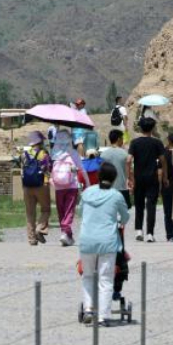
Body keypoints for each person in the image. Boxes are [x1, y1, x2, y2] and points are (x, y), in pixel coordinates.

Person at [78, 162, 131, 325]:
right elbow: (126, 217)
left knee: (87, 276)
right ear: (114, 179)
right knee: (106, 279)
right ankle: (103, 316)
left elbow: (80, 212)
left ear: (99, 176)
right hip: (107, 242)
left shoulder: (87, 192)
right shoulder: (116, 195)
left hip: (87, 240)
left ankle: (88, 309)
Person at [127, 117, 168, 243]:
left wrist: (130, 177)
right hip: (152, 178)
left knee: (139, 204)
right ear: (152, 128)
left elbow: (128, 160)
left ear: (141, 128)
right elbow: (163, 160)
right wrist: (165, 177)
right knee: (151, 205)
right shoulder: (157, 143)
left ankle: (139, 230)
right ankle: (150, 233)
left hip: (139, 177)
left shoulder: (134, 142)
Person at [51, 129, 87, 246]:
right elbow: (82, 169)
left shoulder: (54, 153)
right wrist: (88, 183)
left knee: (61, 211)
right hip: (71, 186)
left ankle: (66, 235)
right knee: (69, 210)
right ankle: (65, 232)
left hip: (58, 187)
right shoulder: (73, 153)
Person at [19, 131, 53, 245]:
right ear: (41, 141)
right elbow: (48, 169)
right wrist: (47, 181)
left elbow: (21, 169)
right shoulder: (43, 153)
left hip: (27, 186)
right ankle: (40, 228)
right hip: (40, 185)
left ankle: (31, 239)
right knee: (46, 209)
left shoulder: (24, 154)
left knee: (30, 213)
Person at [100, 130, 132, 210]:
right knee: (123, 212)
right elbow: (129, 170)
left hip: (108, 188)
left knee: (109, 210)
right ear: (118, 139)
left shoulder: (103, 154)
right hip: (122, 187)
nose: (122, 141)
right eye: (122, 138)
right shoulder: (125, 154)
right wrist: (132, 181)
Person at [161, 132, 173, 242]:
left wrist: (160, 184)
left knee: (168, 211)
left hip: (167, 184)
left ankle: (170, 235)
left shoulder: (164, 154)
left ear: (169, 141)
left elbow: (159, 171)